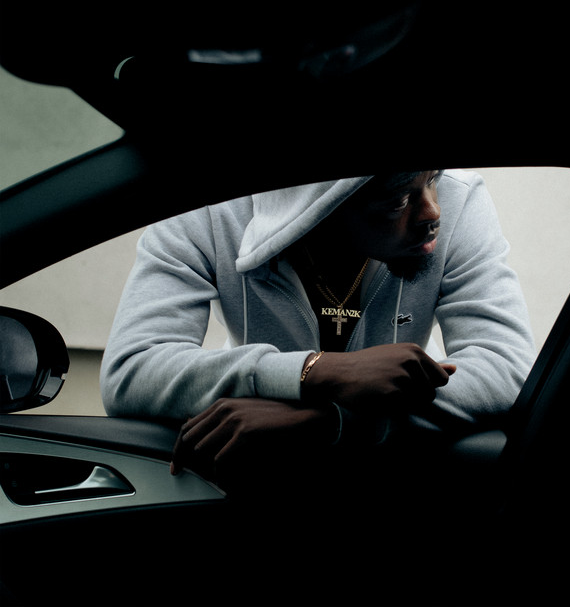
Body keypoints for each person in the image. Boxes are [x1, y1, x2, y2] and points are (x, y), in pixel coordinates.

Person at [100, 169, 535, 487]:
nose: (432, 210)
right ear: (318, 202)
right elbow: (132, 370)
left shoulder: (462, 199)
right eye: (397, 199)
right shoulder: (207, 210)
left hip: (400, 485)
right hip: (254, 488)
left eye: (433, 178)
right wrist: (316, 371)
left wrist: (326, 419)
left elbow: (506, 366)